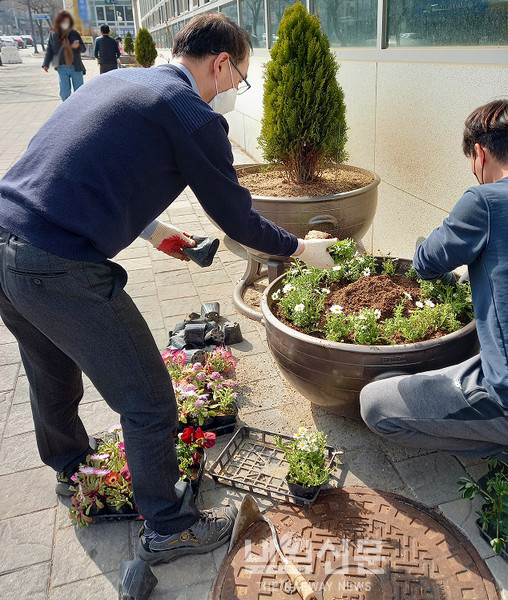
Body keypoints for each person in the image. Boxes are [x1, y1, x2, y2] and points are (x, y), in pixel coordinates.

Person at [0, 14, 336, 564]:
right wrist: (301, 249)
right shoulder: (190, 114)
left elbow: (79, 167)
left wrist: (154, 231)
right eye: (239, 80)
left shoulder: (119, 81)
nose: (233, 92)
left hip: (6, 239)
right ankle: (168, 526)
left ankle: (73, 472)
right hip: (55, 263)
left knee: (49, 367)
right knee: (149, 398)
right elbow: (239, 220)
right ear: (220, 62)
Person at [360, 100, 508, 461]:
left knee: (375, 403)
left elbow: (426, 264)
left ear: (478, 153)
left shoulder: (485, 201)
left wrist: (423, 245)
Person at [42, 10, 86, 101]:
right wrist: (46, 64)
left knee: (80, 92)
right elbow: (49, 49)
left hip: (76, 66)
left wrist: (77, 46)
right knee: (64, 92)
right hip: (62, 66)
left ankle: (80, 110)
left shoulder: (74, 34)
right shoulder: (53, 34)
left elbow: (83, 49)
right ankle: (67, 111)